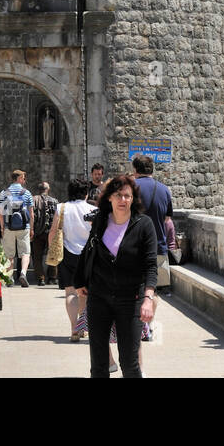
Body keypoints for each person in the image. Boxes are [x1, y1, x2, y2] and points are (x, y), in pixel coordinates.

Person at [75, 174, 157, 378]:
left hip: (130, 299)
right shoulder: (100, 220)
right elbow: (88, 251)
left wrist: (148, 298)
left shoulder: (144, 225)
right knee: (99, 364)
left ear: (133, 199)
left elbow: (150, 266)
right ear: (109, 198)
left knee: (130, 363)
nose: (123, 200)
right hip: (99, 298)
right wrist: (80, 281)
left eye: (127, 196)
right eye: (118, 195)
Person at [49, 176, 97, 341]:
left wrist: (52, 250)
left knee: (70, 292)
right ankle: (83, 327)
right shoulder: (92, 209)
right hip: (88, 255)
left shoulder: (61, 208)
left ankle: (73, 329)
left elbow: (53, 232)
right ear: (86, 193)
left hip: (67, 253)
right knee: (85, 293)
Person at [132, 154, 174, 289]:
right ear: (152, 170)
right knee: (154, 290)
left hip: (134, 248)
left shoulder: (130, 188)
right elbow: (167, 219)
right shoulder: (164, 189)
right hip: (158, 247)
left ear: (135, 170)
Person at [0, 169, 34, 286]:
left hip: (9, 226)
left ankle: (10, 278)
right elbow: (31, 213)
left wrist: (2, 228)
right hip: (24, 227)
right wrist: (31, 228)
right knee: (25, 253)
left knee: (9, 254)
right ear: (18, 178)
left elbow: (1, 213)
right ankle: (23, 273)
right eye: (23, 178)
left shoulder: (3, 193)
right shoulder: (27, 193)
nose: (24, 180)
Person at [31, 181, 59, 286]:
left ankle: (41, 278)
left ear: (39, 189)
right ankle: (52, 277)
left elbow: (31, 215)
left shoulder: (34, 200)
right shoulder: (54, 201)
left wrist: (32, 230)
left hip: (38, 232)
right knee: (52, 254)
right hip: (51, 232)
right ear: (48, 189)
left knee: (37, 256)